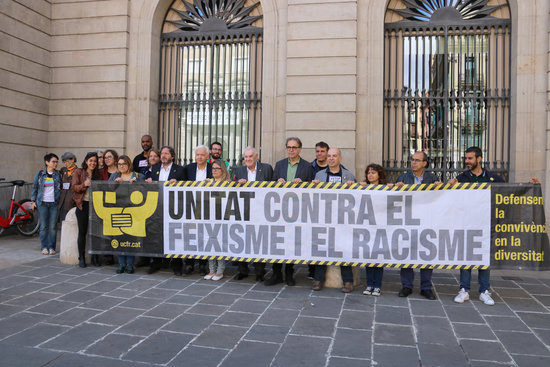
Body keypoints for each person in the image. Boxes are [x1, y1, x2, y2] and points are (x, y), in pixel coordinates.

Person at [449, 146, 504, 305]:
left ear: (479, 159)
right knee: (466, 257)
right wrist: (448, 184)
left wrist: (530, 185)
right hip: (466, 223)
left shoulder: (493, 178)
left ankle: (484, 291)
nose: (467, 161)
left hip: (486, 224)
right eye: (465, 158)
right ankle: (464, 290)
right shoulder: (461, 178)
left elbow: (509, 192)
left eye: (470, 158)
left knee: (483, 257)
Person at [266, 137, 313, 286]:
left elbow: (312, 189)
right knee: (277, 241)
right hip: (279, 210)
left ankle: (289, 273)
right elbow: (271, 184)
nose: (291, 150)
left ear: (300, 149)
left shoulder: (307, 166)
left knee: (291, 242)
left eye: (294, 147)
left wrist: (303, 185)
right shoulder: (279, 164)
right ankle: (276, 274)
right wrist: (277, 182)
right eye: (289, 147)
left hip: (297, 210)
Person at [395, 151, 441, 300]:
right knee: (407, 253)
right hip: (408, 221)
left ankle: (426, 287)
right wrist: (397, 188)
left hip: (426, 221)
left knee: (426, 254)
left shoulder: (432, 178)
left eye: (417, 160)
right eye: (412, 160)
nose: (413, 163)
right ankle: (406, 286)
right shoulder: (403, 178)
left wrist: (439, 188)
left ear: (424, 163)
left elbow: (440, 198)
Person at [311, 148, 356, 293]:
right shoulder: (319, 175)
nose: (331, 158)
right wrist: (313, 187)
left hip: (343, 219)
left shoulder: (348, 175)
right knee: (322, 247)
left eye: (334, 156)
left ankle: (348, 281)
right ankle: (318, 280)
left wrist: (353, 187)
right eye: (329, 156)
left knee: (343, 248)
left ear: (340, 159)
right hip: (324, 217)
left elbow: (357, 198)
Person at [232, 147, 273, 281]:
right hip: (243, 211)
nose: (248, 159)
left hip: (261, 210)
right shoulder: (239, 170)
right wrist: (238, 184)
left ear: (256, 157)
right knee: (242, 239)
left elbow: (273, 187)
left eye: (250, 156)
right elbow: (232, 190)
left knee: (258, 240)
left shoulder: (266, 168)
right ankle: (242, 270)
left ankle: (259, 271)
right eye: (246, 157)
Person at [146, 146, 186, 274]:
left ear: (172, 156)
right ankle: (156, 262)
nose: (163, 156)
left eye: (166, 153)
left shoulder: (180, 170)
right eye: (162, 153)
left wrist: (178, 183)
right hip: (158, 207)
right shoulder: (155, 169)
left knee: (175, 235)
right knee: (157, 234)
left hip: (174, 208)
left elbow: (186, 188)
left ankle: (176, 265)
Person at [109, 155, 144, 274]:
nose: (121, 166)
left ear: (129, 164)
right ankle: (121, 264)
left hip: (133, 211)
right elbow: (107, 190)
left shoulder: (138, 176)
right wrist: (115, 184)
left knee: (130, 237)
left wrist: (136, 184)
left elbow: (146, 191)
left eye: (123, 164)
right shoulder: (114, 176)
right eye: (119, 164)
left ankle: (130, 264)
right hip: (118, 210)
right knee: (119, 236)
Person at [181, 145, 213, 275]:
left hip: (207, 206)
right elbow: (181, 184)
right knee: (190, 233)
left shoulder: (212, 169)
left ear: (207, 157)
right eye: (197, 154)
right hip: (190, 206)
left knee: (204, 234)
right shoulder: (188, 168)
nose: (199, 157)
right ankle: (189, 263)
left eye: (202, 155)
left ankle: (203, 264)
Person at [360, 163, 388, 296]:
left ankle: (377, 285)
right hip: (367, 227)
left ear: (379, 175)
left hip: (381, 227)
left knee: (378, 257)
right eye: (368, 172)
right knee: (368, 257)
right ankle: (369, 284)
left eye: (373, 172)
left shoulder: (386, 189)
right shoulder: (362, 188)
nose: (370, 175)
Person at [72, 152, 101, 268]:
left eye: (95, 161)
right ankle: (82, 257)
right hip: (82, 205)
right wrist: (84, 184)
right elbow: (74, 187)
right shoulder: (79, 172)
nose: (93, 163)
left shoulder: (98, 174)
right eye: (91, 161)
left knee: (95, 233)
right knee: (82, 232)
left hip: (96, 206)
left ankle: (95, 257)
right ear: (86, 161)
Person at [203, 159, 230, 281]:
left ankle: (220, 270)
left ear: (222, 170)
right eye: (212, 168)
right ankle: (211, 269)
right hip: (210, 216)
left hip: (223, 217)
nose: (213, 170)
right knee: (210, 243)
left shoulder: (228, 183)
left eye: (216, 168)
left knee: (220, 243)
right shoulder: (208, 182)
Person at [31, 153, 62, 255]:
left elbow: (61, 188)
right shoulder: (40, 174)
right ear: (47, 162)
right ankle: (44, 247)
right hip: (42, 203)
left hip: (54, 203)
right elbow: (35, 188)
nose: (56, 164)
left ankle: (51, 247)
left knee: (53, 227)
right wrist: (33, 201)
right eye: (53, 161)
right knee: (44, 226)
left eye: (57, 162)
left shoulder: (58, 174)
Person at [58, 152, 77, 222]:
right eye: (64, 162)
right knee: (63, 222)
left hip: (72, 201)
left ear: (73, 160)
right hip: (63, 201)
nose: (66, 164)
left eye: (67, 161)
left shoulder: (78, 171)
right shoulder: (63, 170)